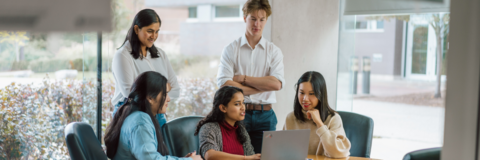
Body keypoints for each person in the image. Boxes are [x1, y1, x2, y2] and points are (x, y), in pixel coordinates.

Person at [216, 0, 284, 154]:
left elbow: (277, 84)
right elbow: (225, 84)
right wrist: (260, 87)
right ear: (245, 17)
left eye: (262, 19)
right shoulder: (231, 50)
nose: (257, 24)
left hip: (266, 117)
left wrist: (244, 79)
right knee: (237, 157)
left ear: (266, 20)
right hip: (237, 114)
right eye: (253, 18)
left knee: (265, 158)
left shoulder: (274, 52)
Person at [104, 71, 202, 160]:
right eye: (165, 93)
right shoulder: (140, 121)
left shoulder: (136, 116)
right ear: (150, 97)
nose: (168, 99)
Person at [111, 9, 179, 128]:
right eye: (150, 31)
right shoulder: (123, 55)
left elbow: (175, 89)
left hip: (157, 113)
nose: (154, 36)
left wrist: (150, 90)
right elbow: (130, 93)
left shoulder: (160, 54)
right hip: (132, 113)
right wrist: (164, 86)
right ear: (137, 29)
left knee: (163, 146)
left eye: (157, 31)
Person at [283, 71, 351, 158]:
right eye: (302, 92)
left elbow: (339, 153)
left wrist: (319, 123)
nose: (305, 99)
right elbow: (284, 151)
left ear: (321, 95)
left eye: (311, 94)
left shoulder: (333, 119)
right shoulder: (291, 118)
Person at [195, 86, 261, 160]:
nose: (243, 107)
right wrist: (245, 158)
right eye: (237, 104)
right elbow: (210, 156)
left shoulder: (241, 130)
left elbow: (251, 156)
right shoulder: (209, 128)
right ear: (223, 108)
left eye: (243, 102)